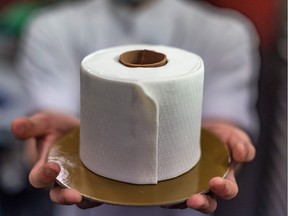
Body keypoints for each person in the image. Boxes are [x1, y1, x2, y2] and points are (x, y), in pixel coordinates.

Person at [11, 0, 259, 215]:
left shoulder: (226, 32)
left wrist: (226, 149)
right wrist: (47, 148)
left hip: (187, 197)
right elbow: (49, 120)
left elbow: (224, 125)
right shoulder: (51, 28)